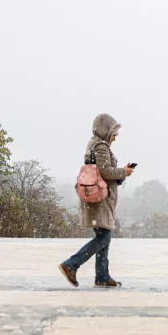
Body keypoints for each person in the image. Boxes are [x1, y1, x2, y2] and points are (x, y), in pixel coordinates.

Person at [59, 113, 134, 288]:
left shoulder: (95, 144)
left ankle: (102, 276)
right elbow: (106, 171)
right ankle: (71, 264)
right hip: (101, 198)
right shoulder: (100, 146)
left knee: (103, 235)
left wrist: (122, 173)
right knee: (104, 237)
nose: (115, 138)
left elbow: (101, 172)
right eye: (113, 133)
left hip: (97, 196)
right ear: (106, 130)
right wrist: (123, 171)